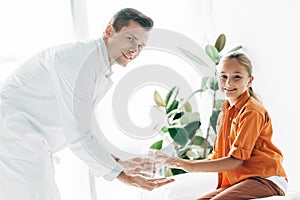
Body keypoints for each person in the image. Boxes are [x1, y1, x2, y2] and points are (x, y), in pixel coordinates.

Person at [0, 8, 173, 200]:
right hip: (13, 138)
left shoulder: (97, 67)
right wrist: (124, 177)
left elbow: (84, 128)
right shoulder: (78, 62)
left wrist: (118, 162)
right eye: (130, 38)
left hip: (24, 141)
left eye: (141, 46)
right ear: (109, 32)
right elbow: (78, 135)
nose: (135, 50)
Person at [156, 52, 288, 199]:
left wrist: (189, 165)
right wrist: (177, 163)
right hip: (242, 181)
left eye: (236, 77)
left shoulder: (252, 111)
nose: (228, 83)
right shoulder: (225, 113)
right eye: (223, 76)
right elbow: (217, 158)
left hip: (266, 179)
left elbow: (235, 161)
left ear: (250, 81)